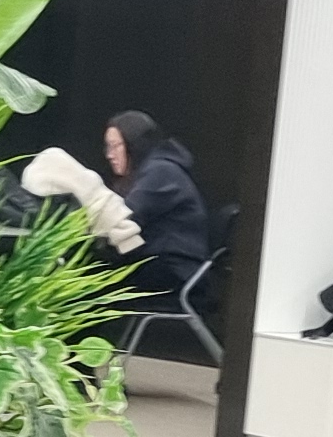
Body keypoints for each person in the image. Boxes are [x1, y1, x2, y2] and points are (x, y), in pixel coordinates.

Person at [17, 110, 212, 314]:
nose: (109, 155)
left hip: (173, 271)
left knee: (78, 285)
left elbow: (123, 218)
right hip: (157, 264)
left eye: (115, 146)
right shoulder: (147, 172)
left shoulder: (162, 171)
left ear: (135, 144)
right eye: (107, 147)